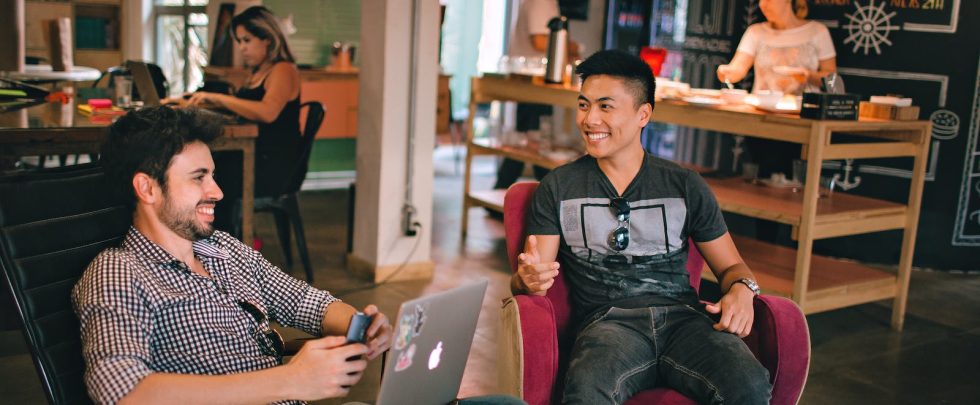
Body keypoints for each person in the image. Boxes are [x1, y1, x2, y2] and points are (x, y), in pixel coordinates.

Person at [73, 107, 393, 404]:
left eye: (212, 175)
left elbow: (304, 302)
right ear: (148, 189)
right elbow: (123, 392)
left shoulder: (224, 249)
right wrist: (290, 379)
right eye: (199, 178)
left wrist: (360, 325)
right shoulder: (118, 272)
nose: (217, 192)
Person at [511, 50, 771, 404]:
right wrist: (524, 280)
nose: (590, 119)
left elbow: (731, 267)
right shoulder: (559, 187)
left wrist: (743, 288)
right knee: (587, 392)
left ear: (643, 114)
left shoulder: (684, 185)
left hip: (686, 322)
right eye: (584, 105)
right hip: (608, 325)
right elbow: (533, 275)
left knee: (750, 384)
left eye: (606, 107)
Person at [166, 6, 302, 234]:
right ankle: (203, 241)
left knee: (204, 177)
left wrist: (217, 98)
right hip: (257, 155)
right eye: (239, 41)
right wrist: (198, 102)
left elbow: (267, 112)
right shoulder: (259, 71)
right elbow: (246, 109)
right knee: (199, 170)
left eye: (246, 40)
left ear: (267, 38)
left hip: (273, 166)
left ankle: (217, 245)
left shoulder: (283, 70)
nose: (242, 48)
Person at [716, 0, 836, 96]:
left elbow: (832, 78)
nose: (762, 4)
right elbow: (738, 69)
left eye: (768, 0)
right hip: (762, 111)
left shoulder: (817, 31)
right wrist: (727, 73)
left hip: (803, 114)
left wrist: (808, 75)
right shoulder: (755, 32)